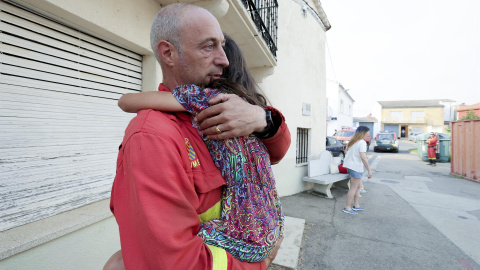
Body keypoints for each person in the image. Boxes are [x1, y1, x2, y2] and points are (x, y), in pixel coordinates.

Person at [106, 4, 290, 270]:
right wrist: (260, 264)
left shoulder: (230, 109)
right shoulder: (153, 136)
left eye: (223, 46)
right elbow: (173, 261)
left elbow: (278, 151)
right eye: (208, 46)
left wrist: (262, 119)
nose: (224, 59)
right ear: (168, 53)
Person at [342, 126, 373, 215]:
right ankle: (347, 207)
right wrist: (369, 171)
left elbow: (346, 152)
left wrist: (359, 156)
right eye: (367, 133)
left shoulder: (352, 141)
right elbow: (363, 157)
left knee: (359, 186)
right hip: (355, 167)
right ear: (363, 133)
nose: (368, 135)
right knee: (354, 188)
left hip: (351, 166)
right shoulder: (362, 143)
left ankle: (356, 205)